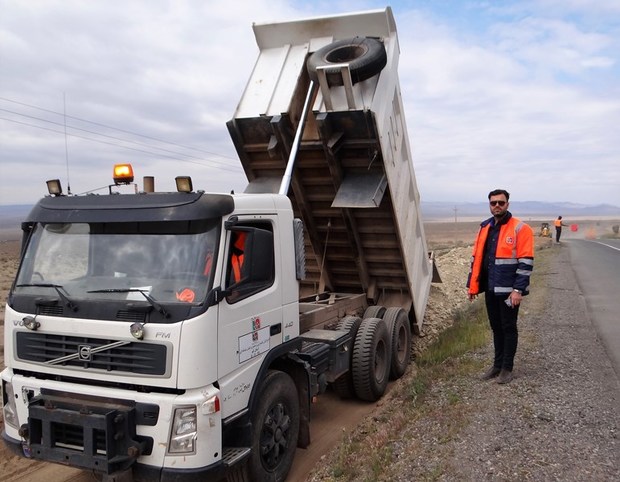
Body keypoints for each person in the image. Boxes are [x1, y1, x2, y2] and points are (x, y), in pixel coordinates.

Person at [467, 189, 534, 384]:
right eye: (493, 203)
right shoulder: (485, 227)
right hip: (490, 288)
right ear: (489, 205)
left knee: (508, 327)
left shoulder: (520, 229)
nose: (497, 206)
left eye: (501, 203)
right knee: (496, 328)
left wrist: (518, 290)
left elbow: (526, 262)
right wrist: (472, 286)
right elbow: (477, 259)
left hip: (509, 292)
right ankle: (496, 366)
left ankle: (507, 368)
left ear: (507, 204)